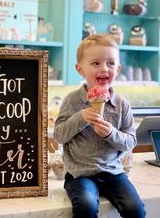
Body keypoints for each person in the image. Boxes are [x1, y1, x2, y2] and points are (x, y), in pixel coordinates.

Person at [54, 34, 146, 218]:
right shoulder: (72, 101)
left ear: (118, 68)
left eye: (110, 63)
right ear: (80, 69)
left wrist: (111, 133)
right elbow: (59, 136)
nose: (104, 68)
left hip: (113, 171)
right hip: (79, 174)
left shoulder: (122, 104)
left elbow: (130, 142)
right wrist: (80, 118)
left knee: (135, 209)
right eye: (96, 63)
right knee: (86, 207)